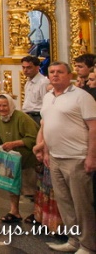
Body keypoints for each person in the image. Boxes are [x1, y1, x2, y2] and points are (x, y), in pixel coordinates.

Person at [34, 61, 96, 253]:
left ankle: (88, 245)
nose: (55, 75)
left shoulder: (81, 97)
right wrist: (46, 151)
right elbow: (46, 125)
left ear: (70, 75)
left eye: (60, 72)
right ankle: (74, 240)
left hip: (76, 157)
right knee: (64, 202)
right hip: (55, 157)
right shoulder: (48, 97)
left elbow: (93, 128)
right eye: (52, 72)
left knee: (81, 204)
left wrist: (91, 156)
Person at [0, 94, 39, 224]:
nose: (1, 108)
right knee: (12, 186)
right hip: (12, 160)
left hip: (27, 158)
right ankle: (14, 211)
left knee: (31, 188)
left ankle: (37, 213)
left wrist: (13, 144)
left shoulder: (22, 118)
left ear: (11, 105)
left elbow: (33, 138)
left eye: (4, 105)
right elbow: (1, 138)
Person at [21, 55, 49, 127]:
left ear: (37, 68)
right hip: (28, 115)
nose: (25, 70)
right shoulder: (28, 81)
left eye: (29, 67)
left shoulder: (43, 82)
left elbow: (46, 103)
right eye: (23, 67)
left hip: (37, 116)